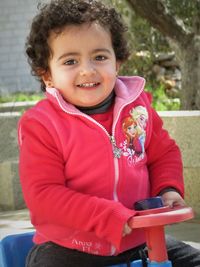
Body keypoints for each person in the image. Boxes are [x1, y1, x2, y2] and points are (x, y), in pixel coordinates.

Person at [18, 0, 200, 266]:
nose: (88, 70)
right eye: (70, 61)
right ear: (47, 75)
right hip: (70, 248)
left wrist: (168, 188)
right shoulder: (42, 125)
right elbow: (43, 195)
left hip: (141, 239)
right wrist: (106, 216)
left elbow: (163, 153)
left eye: (100, 57)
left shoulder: (138, 109)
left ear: (118, 62)